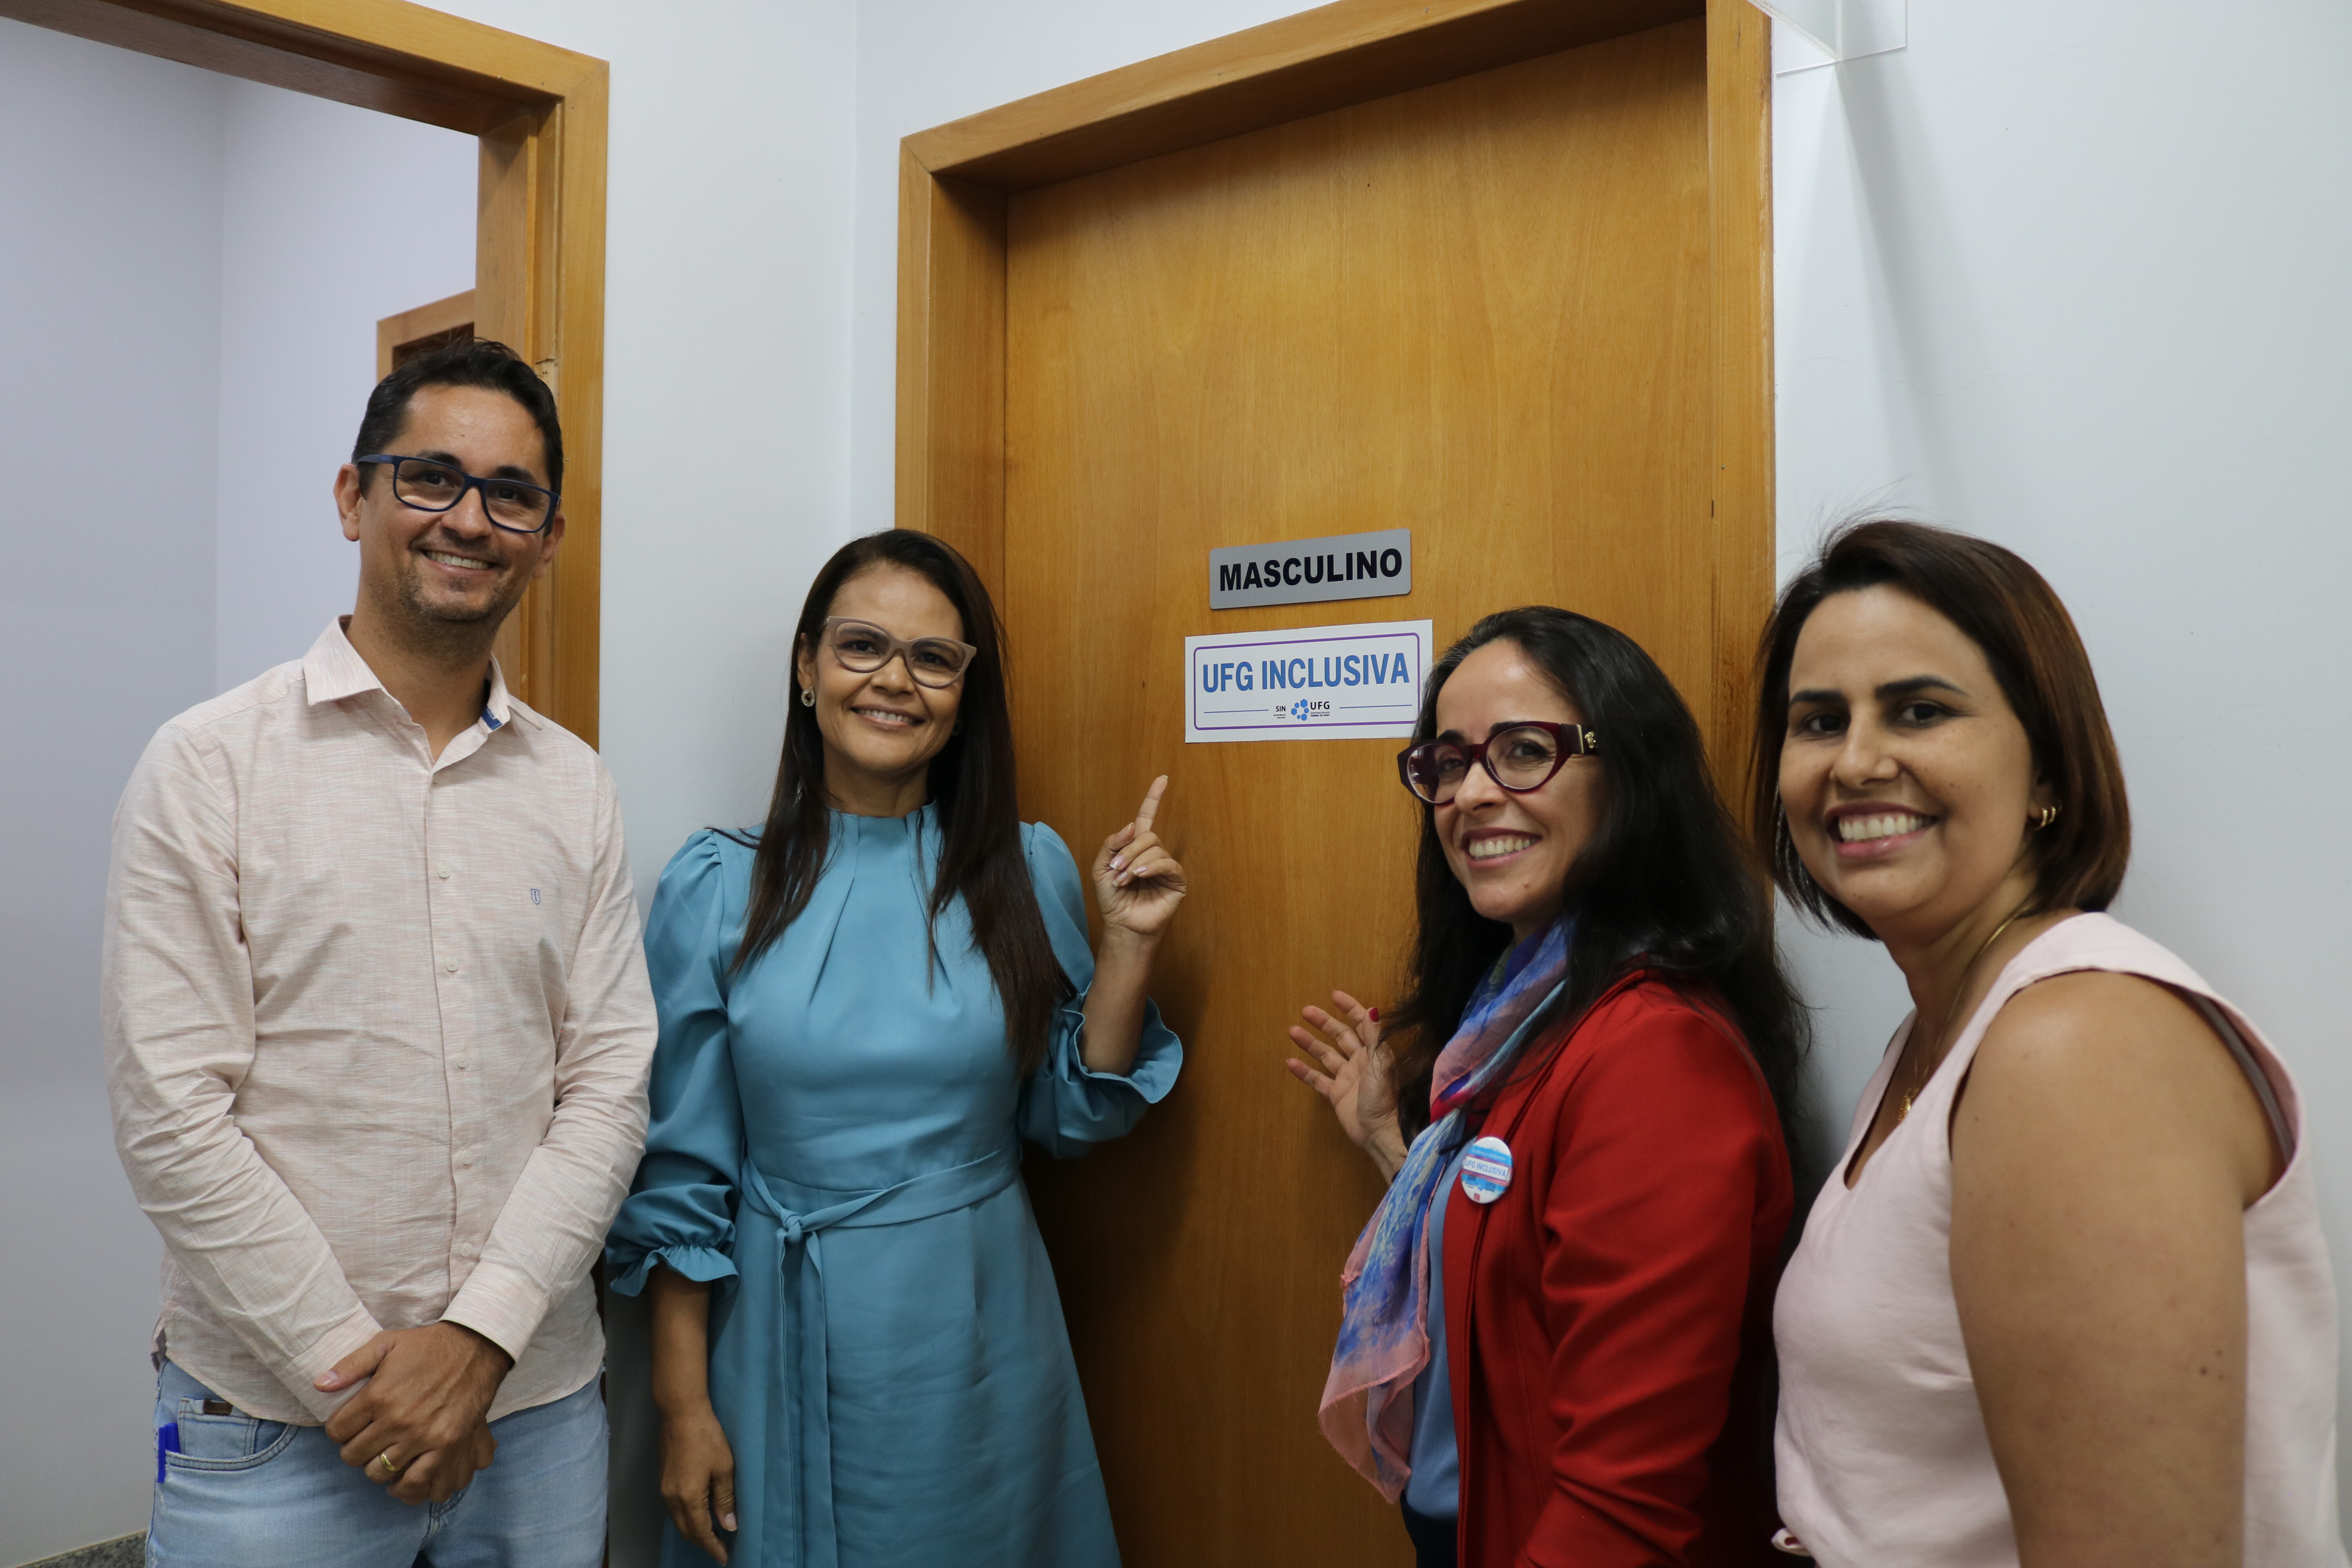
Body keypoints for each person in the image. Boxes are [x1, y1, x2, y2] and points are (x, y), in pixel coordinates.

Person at [105, 337, 657, 1566]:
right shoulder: (209, 766)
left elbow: (610, 1086)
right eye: (431, 478)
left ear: (549, 538)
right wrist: (369, 1380)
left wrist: (479, 1342)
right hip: (275, 1427)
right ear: (354, 496)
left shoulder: (575, 788)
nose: (470, 520)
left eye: (511, 494)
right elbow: (171, 1114)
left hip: (533, 1413)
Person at [1758, 520, 2345, 1568]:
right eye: (1820, 721)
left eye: (1921, 710)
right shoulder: (1939, 1035)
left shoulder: (2075, 1047)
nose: (1856, 761)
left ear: (2048, 774)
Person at [604, 528, 1186, 1568]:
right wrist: (682, 1405)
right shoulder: (717, 885)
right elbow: (681, 1174)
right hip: (775, 1331)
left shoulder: (1025, 868)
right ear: (807, 666)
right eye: (862, 645)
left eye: (933, 658)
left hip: (981, 1333)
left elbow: (1072, 1113)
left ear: (966, 691)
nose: (894, 681)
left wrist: (1130, 947)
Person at [1286, 606, 1803, 1568]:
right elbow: (1519, 1254)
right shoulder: (1519, 1014)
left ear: (1631, 775)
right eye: (1448, 762)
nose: (1473, 793)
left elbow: (1622, 1506)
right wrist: (1398, 1151)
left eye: (1524, 751)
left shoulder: (1656, 1058)